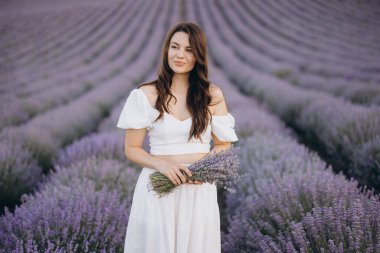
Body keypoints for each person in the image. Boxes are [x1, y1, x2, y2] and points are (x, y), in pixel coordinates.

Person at [116, 22, 238, 253]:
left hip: (198, 190)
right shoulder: (145, 95)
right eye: (174, 47)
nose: (180, 54)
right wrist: (162, 165)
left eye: (189, 49)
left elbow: (224, 144)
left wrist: (204, 168)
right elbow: (132, 148)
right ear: (166, 50)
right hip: (159, 188)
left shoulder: (212, 95)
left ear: (199, 56)